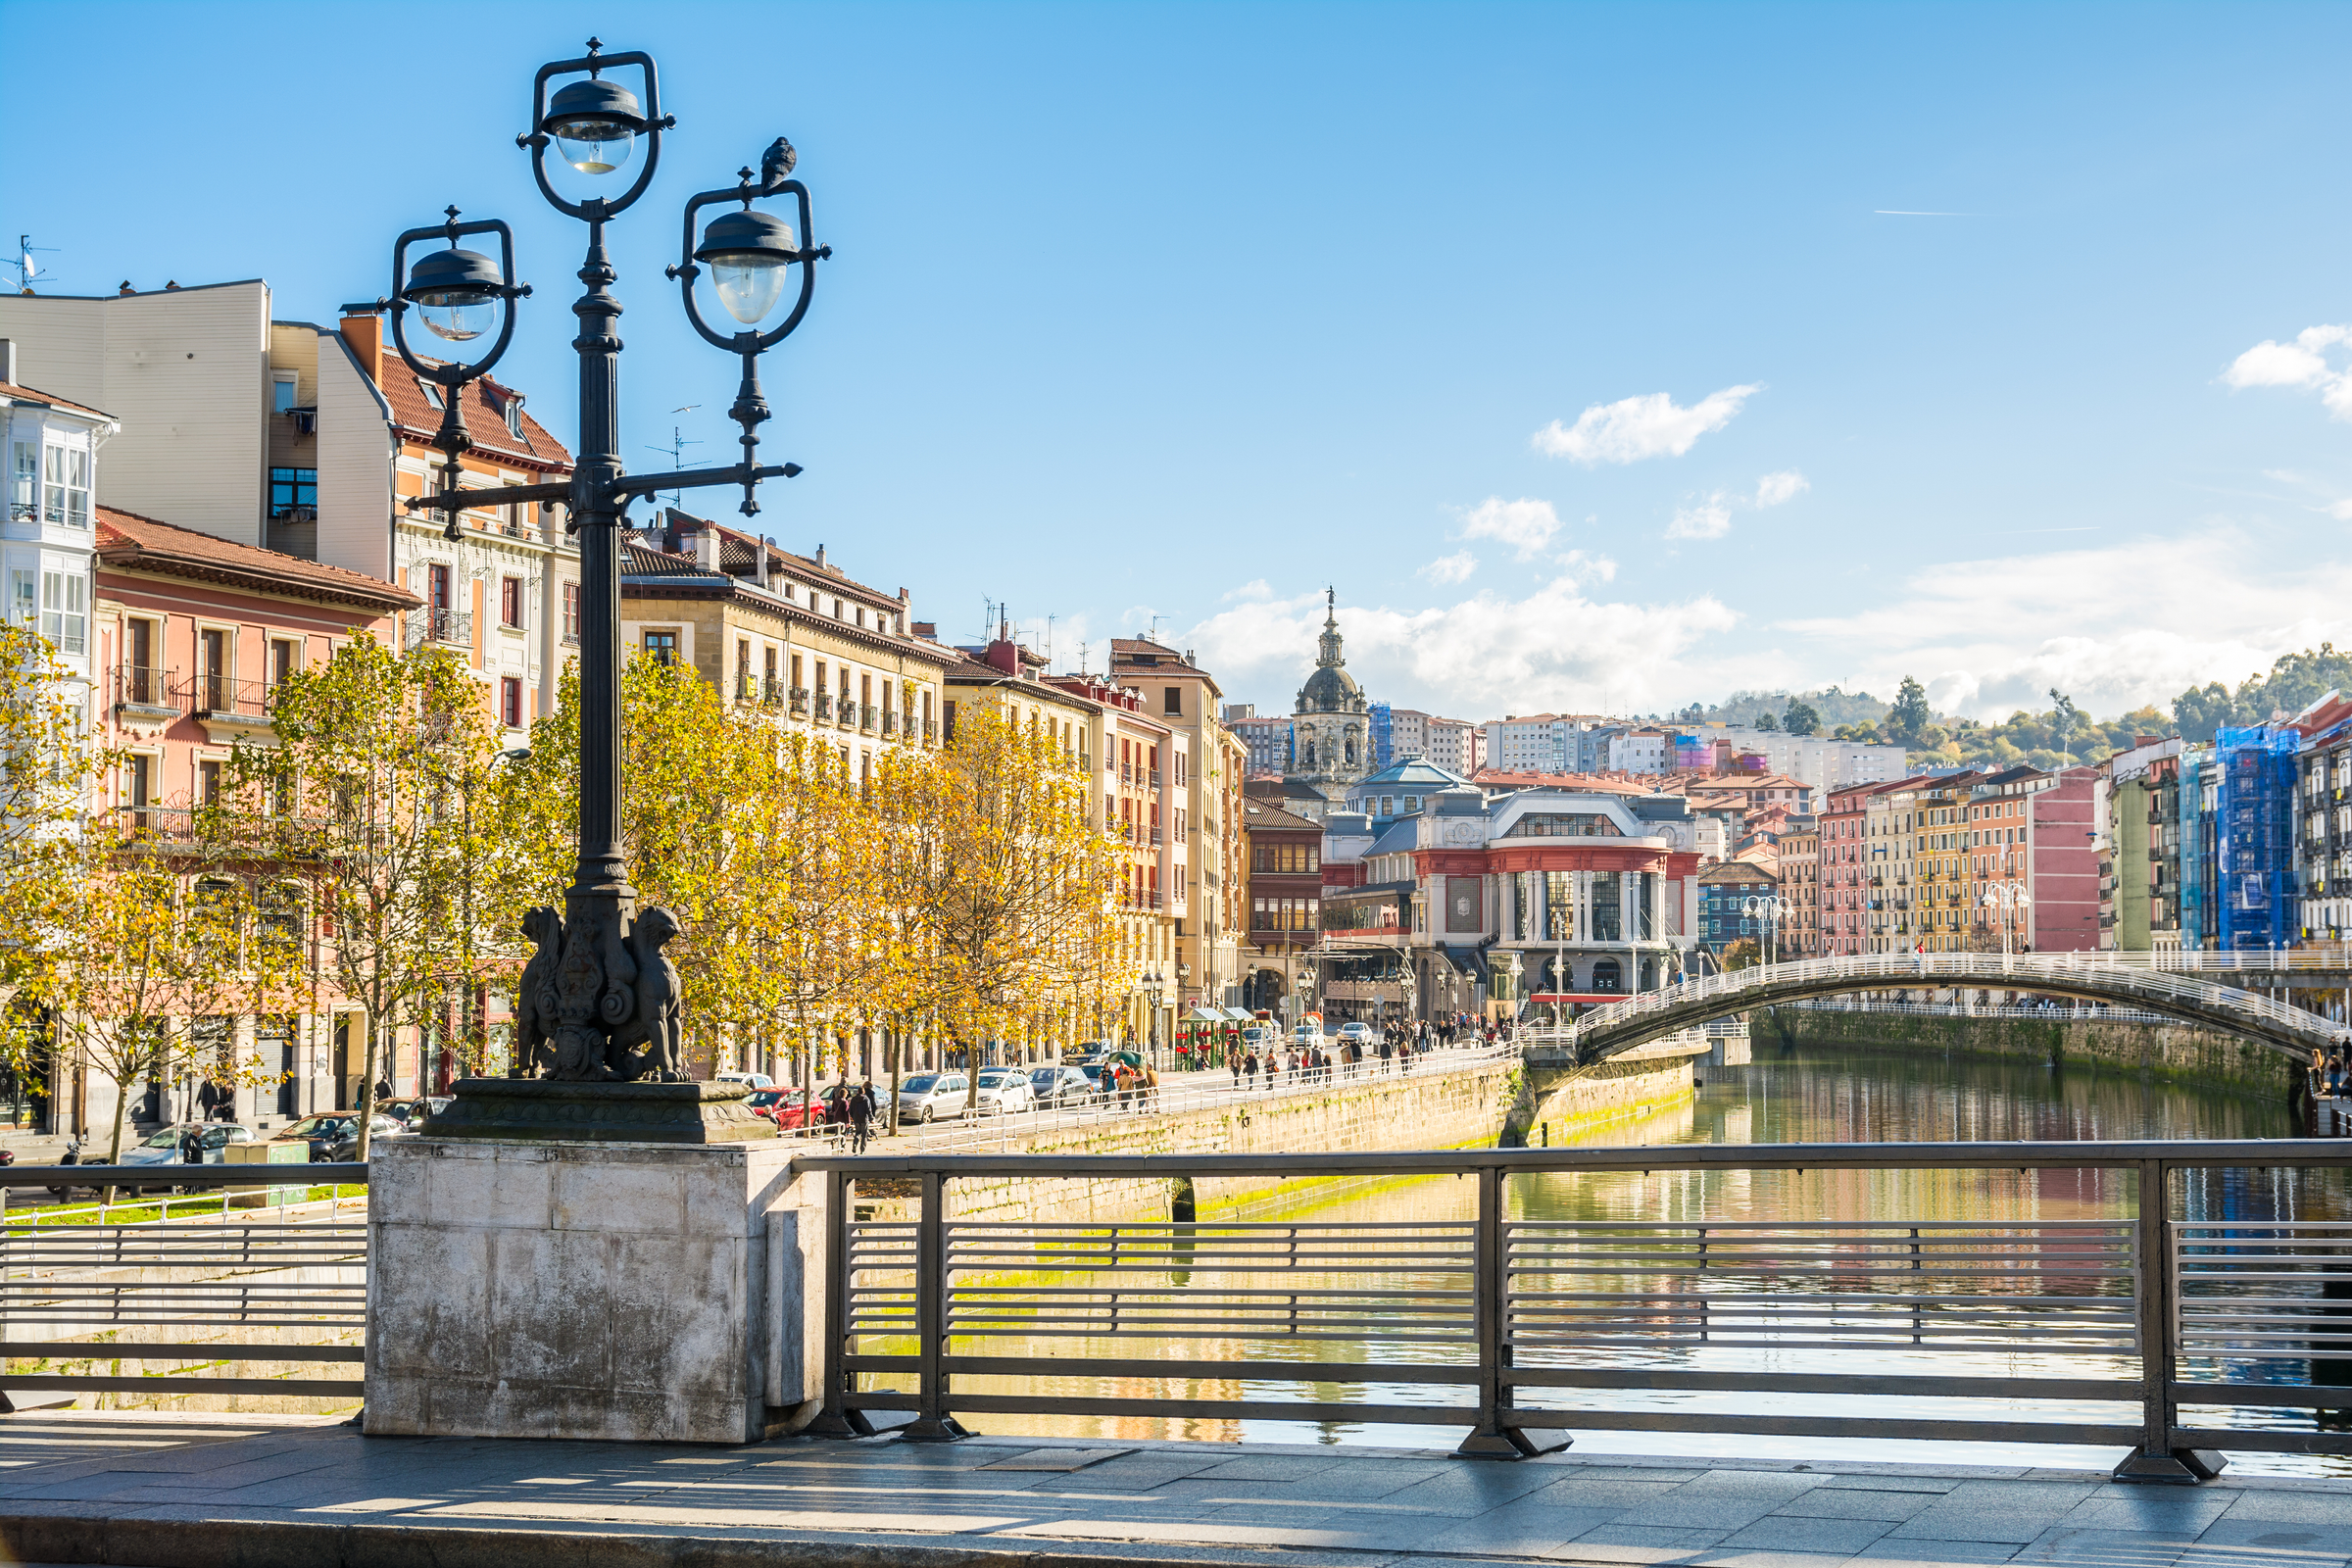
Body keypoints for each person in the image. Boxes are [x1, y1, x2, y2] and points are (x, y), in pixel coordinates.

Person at [848, 1080, 873, 1153]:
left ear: (858, 1092)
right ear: (864, 1092)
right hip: (864, 1118)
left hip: (856, 1118)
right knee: (864, 1135)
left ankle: (855, 1144)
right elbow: (869, 1110)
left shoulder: (853, 1099)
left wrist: (853, 1117)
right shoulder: (866, 1099)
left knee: (857, 1132)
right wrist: (871, 1118)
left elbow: (851, 1110)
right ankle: (862, 1150)